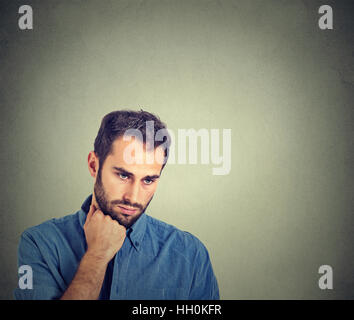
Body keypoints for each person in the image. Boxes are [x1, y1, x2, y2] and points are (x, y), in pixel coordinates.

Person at [14, 110, 219, 300]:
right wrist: (97, 255)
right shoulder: (39, 244)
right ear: (94, 165)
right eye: (123, 175)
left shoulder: (190, 255)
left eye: (148, 180)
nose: (133, 197)